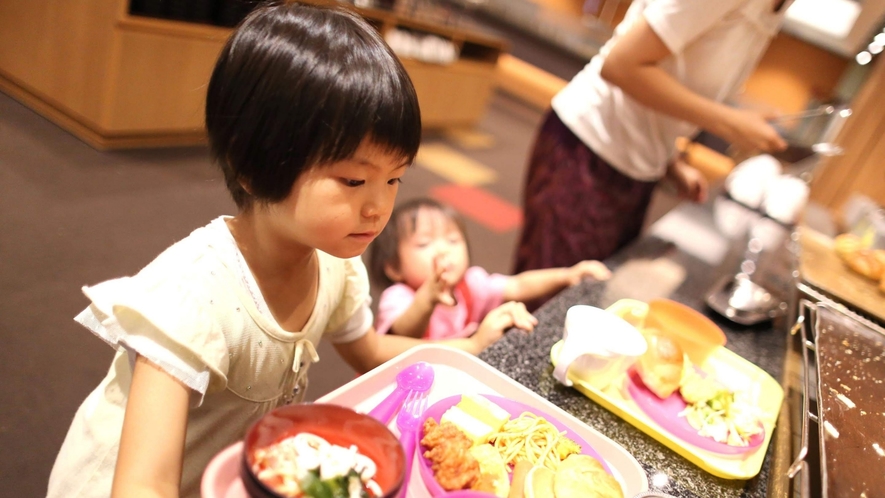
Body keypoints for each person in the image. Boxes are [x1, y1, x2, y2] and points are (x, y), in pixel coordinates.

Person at [46, 5, 499, 498]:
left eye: (394, 179)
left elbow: (369, 351)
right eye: (354, 180)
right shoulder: (193, 297)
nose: (379, 207)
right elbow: (141, 484)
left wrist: (468, 350)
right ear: (254, 164)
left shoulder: (334, 262)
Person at [514, 0, 791, 275]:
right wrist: (731, 123)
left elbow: (678, 69)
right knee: (549, 301)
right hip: (587, 149)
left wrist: (668, 157)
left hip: (634, 166)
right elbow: (621, 65)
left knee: (589, 292)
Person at [369, 197, 611, 339]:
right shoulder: (398, 297)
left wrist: (566, 275)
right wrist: (427, 299)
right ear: (393, 268)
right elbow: (403, 333)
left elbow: (517, 284)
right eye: (424, 243)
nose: (444, 250)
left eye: (453, 240)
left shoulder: (471, 285)